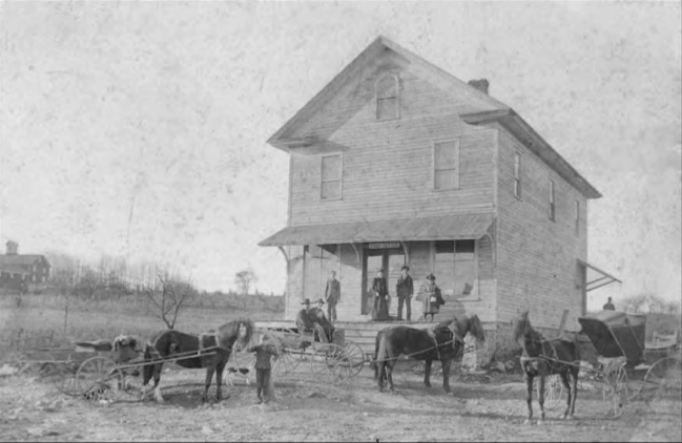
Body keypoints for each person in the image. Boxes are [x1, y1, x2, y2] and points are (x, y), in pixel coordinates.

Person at [246, 335, 280, 404]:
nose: (265, 342)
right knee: (259, 384)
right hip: (259, 368)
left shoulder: (269, 348)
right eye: (264, 341)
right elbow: (249, 350)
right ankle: (258, 397)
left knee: (265, 383)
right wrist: (257, 343)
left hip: (267, 368)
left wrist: (274, 359)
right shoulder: (258, 348)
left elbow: (277, 354)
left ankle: (264, 397)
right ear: (262, 341)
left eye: (266, 341)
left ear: (268, 341)